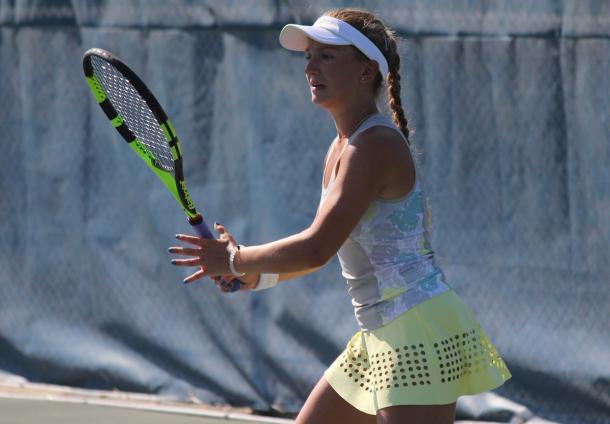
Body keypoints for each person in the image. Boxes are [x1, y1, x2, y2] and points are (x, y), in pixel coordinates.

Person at [168, 8, 511, 424]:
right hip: (379, 334)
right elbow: (329, 251)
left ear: (366, 71)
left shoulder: (373, 146)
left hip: (416, 331)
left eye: (327, 56)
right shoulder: (341, 149)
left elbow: (316, 248)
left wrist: (237, 260)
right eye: (309, 56)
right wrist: (256, 276)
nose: (311, 66)